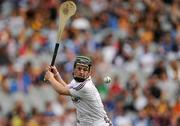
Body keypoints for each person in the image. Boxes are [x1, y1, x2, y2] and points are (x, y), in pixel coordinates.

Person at [44, 55, 112, 126]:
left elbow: (62, 91)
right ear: (74, 70)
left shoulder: (85, 86)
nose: (82, 72)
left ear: (89, 72)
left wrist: (50, 78)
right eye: (79, 69)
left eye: (85, 70)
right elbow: (66, 87)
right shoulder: (77, 81)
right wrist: (56, 74)